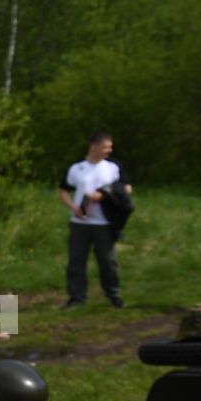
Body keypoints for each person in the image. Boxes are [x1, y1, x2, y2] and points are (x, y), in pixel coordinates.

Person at [59, 132, 125, 308]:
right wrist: (73, 207)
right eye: (106, 147)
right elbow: (63, 191)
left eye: (110, 147)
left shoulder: (113, 168)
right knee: (76, 260)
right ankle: (77, 297)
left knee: (108, 260)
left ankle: (114, 294)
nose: (109, 150)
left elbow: (125, 190)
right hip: (79, 223)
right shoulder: (76, 168)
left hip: (104, 222)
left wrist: (103, 195)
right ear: (94, 146)